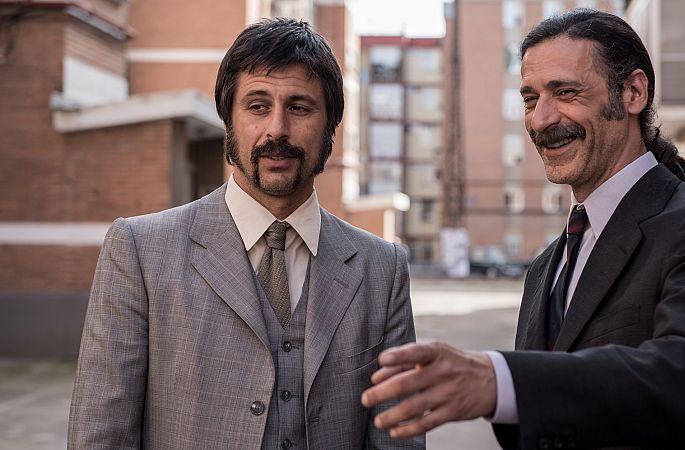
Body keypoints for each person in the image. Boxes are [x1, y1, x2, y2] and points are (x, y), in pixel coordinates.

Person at [362, 9, 685, 449]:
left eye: (565, 92)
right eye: (530, 99)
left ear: (633, 92)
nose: (540, 119)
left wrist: (497, 380)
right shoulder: (544, 268)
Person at [68, 18, 423, 450]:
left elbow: (398, 440)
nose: (277, 129)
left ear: (331, 126)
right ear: (229, 121)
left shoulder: (382, 268)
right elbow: (101, 436)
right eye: (257, 106)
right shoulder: (139, 252)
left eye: (300, 108)